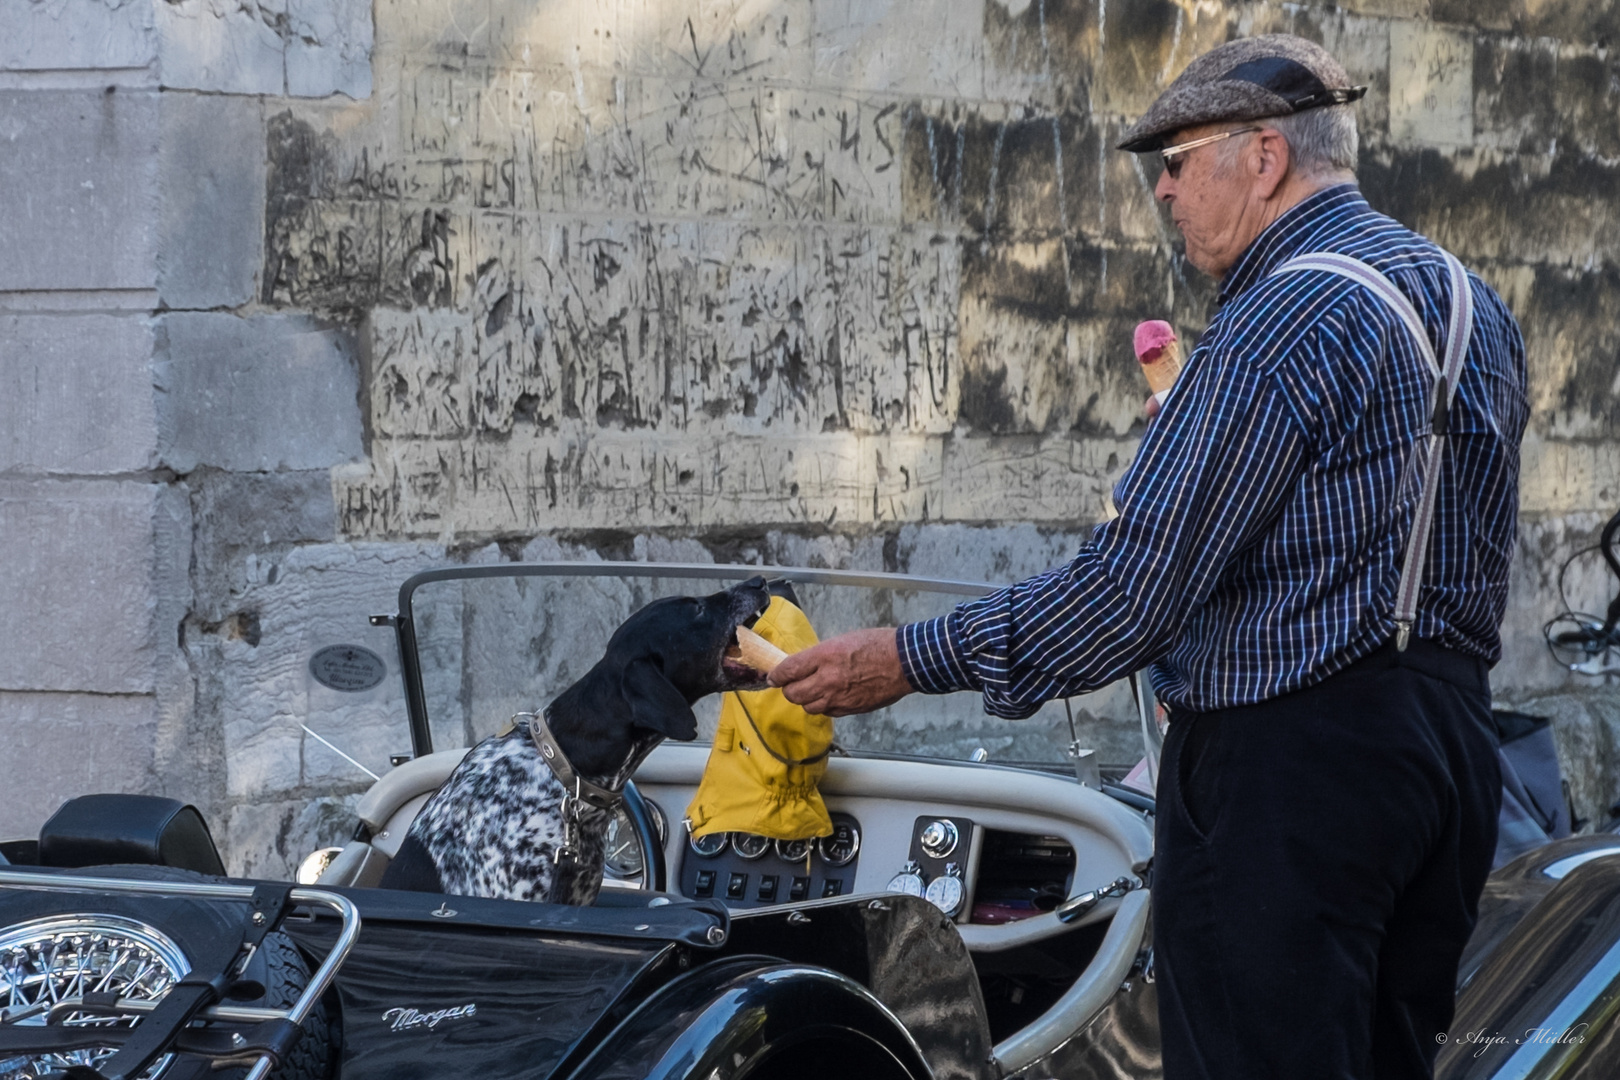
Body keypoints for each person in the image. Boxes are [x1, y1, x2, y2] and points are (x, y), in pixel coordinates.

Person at [771, 33, 1528, 1080]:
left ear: (1263, 157)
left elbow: (1130, 596)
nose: (1162, 193)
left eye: (1176, 163)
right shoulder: (1474, 304)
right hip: (1449, 759)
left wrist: (907, 658)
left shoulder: (1279, 319)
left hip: (1290, 773)